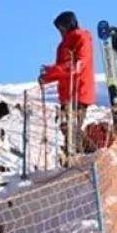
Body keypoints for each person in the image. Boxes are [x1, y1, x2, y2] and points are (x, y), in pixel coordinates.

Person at [38, 11, 96, 159]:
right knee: (67, 127)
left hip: (78, 91)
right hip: (66, 94)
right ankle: (85, 154)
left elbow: (77, 66)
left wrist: (50, 73)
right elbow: (62, 69)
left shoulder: (82, 38)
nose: (60, 32)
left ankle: (87, 154)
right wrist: (47, 77)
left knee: (69, 126)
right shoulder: (63, 45)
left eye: (61, 28)